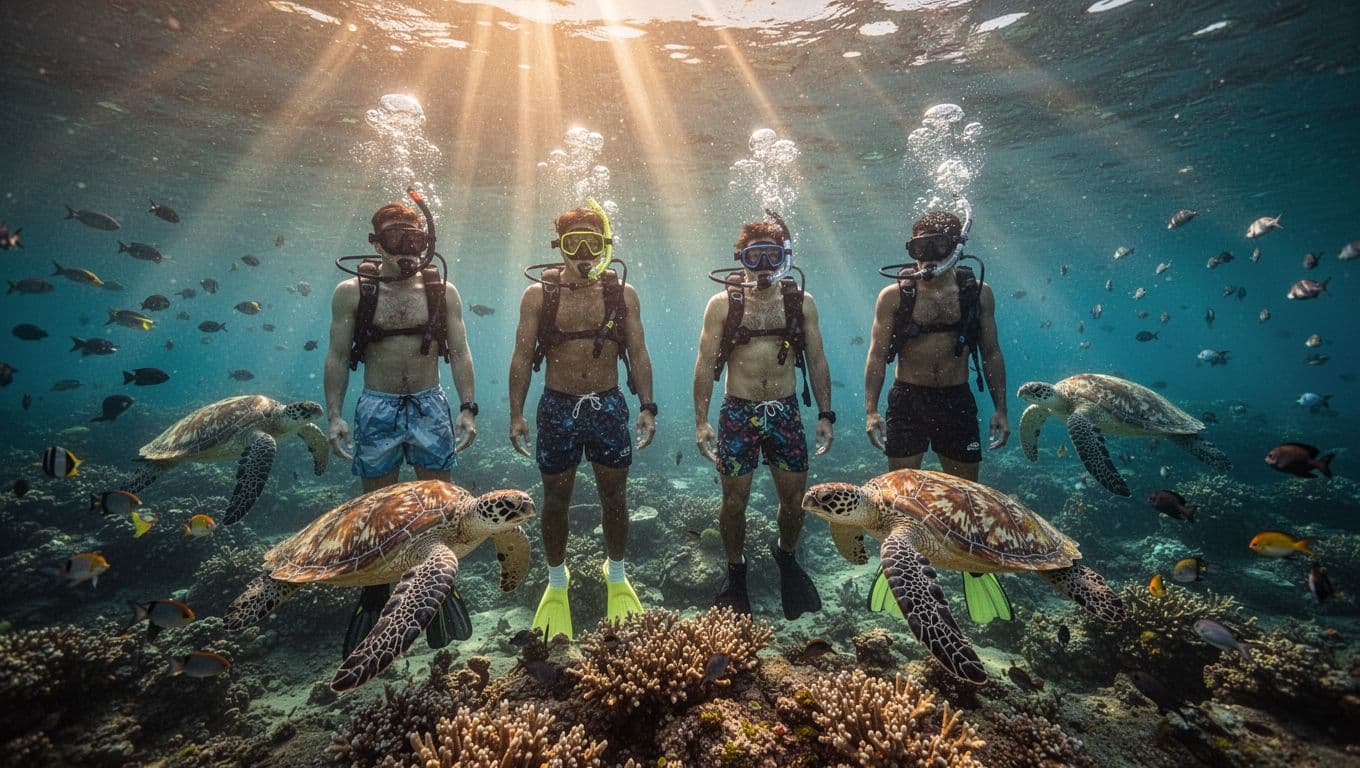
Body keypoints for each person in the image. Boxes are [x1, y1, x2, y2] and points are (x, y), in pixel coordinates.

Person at [324, 198, 479, 653]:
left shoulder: (442, 291)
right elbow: (336, 356)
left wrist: (468, 407)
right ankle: (375, 591)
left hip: (431, 405)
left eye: (415, 239)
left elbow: (462, 352)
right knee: (376, 510)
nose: (407, 249)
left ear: (427, 242)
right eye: (396, 239)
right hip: (378, 406)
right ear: (376, 243)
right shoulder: (352, 292)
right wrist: (333, 414)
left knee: (443, 507)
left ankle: (441, 588)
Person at [508, 201, 656, 640]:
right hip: (556, 408)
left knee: (616, 496)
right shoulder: (539, 296)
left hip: (608, 405)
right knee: (555, 500)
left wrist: (647, 405)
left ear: (606, 246)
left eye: (594, 243)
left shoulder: (622, 295)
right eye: (575, 244)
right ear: (561, 247)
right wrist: (516, 413)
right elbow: (521, 357)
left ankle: (617, 574)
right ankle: (557, 583)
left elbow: (639, 352)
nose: (585, 253)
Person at [863, 209, 1012, 623]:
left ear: (956, 249)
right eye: (918, 248)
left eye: (936, 247)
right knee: (899, 495)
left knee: (967, 497)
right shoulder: (894, 296)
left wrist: (1001, 408)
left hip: (956, 401)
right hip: (907, 401)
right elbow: (876, 355)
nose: (926, 258)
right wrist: (872, 410)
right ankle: (900, 571)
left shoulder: (978, 293)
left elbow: (992, 352)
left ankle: (974, 569)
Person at [693, 217, 833, 619]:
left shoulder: (800, 302)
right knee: (733, 502)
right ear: (741, 259)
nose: (764, 267)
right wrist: (702, 420)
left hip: (785, 413)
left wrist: (825, 413)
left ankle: (786, 556)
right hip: (738, 412)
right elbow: (704, 364)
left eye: (772, 256)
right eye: (755, 257)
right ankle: (736, 573)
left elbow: (817, 360)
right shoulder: (723, 304)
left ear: (785, 258)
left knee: (793, 502)